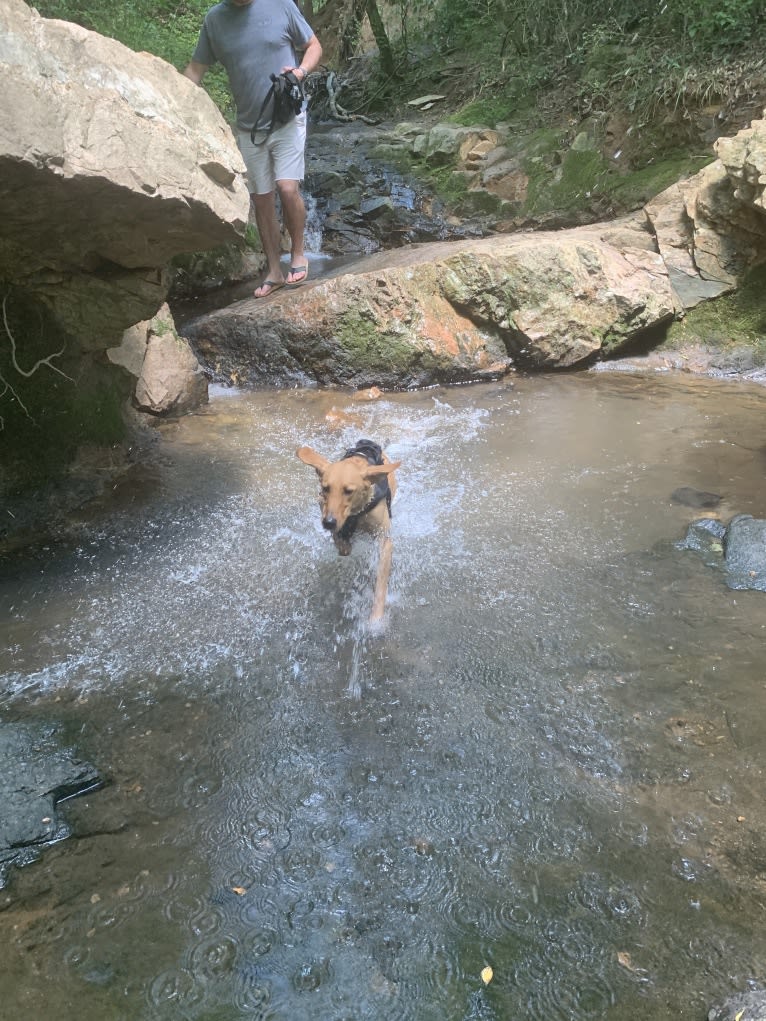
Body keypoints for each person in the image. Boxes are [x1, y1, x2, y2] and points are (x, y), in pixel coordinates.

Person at [184, 0, 322, 298]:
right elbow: (195, 70)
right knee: (261, 200)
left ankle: (298, 254)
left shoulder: (280, 4)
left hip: (288, 117)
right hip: (249, 127)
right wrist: (174, 103)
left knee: (287, 188)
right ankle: (274, 270)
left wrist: (299, 72)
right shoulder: (215, 20)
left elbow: (313, 46)